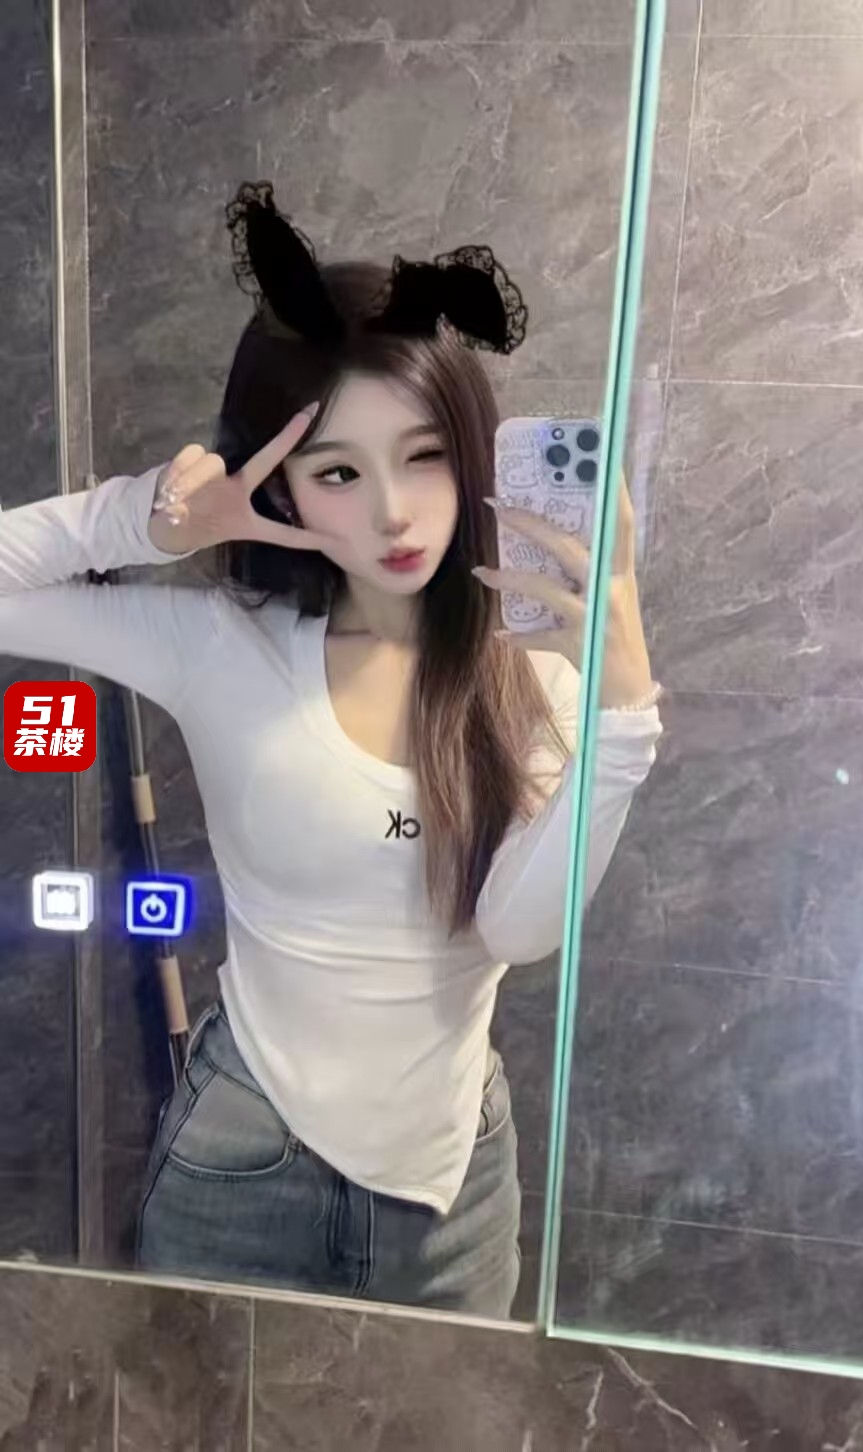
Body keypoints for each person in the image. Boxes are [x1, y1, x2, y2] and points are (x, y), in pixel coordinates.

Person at [0, 181, 662, 1318]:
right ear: (285, 485)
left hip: (451, 1185)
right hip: (238, 1157)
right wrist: (148, 518)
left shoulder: (541, 679)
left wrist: (624, 714)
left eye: (424, 457)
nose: (394, 513)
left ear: (473, 457)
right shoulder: (224, 643)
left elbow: (516, 933)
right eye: (341, 471)